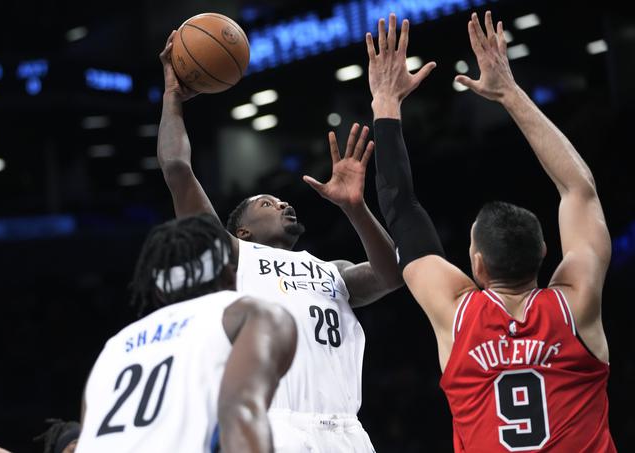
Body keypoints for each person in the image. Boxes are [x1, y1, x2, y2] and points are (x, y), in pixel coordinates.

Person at [369, 11, 616, 452]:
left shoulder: (457, 315)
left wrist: (385, 103)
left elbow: (401, 208)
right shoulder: (577, 304)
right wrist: (510, 93)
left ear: (476, 263)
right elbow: (579, 189)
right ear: (545, 252)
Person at [157, 28, 402, 451]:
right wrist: (173, 98)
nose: (284, 204)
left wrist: (355, 208)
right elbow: (178, 169)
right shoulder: (232, 258)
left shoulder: (333, 272)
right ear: (243, 230)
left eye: (282, 200)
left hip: (347, 431)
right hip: (275, 424)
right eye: (268, 203)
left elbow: (393, 274)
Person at [75, 214, 297, 453]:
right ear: (230, 275)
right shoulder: (245, 314)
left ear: (159, 294)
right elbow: (242, 414)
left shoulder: (115, 347)